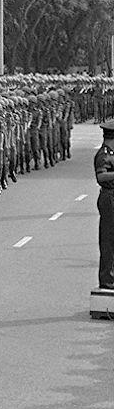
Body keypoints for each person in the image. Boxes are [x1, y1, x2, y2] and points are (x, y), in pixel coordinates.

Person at [95, 121, 114, 289]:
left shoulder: (112, 153)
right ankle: (107, 281)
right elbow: (101, 176)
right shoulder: (103, 155)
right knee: (108, 240)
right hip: (109, 199)